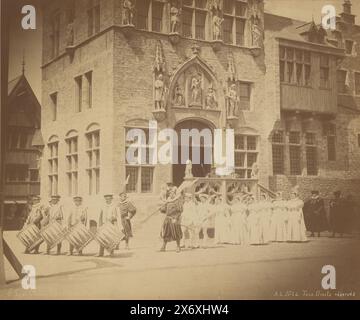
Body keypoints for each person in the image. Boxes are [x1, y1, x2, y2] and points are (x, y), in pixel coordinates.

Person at [160, 188, 183, 252]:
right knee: (166, 232)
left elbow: (179, 211)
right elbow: (164, 210)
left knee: (176, 233)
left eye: (172, 193)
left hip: (174, 219)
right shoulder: (168, 201)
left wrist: (176, 218)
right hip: (167, 219)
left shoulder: (177, 201)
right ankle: (163, 246)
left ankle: (178, 246)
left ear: (174, 194)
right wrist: (161, 208)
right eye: (170, 193)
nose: (171, 194)